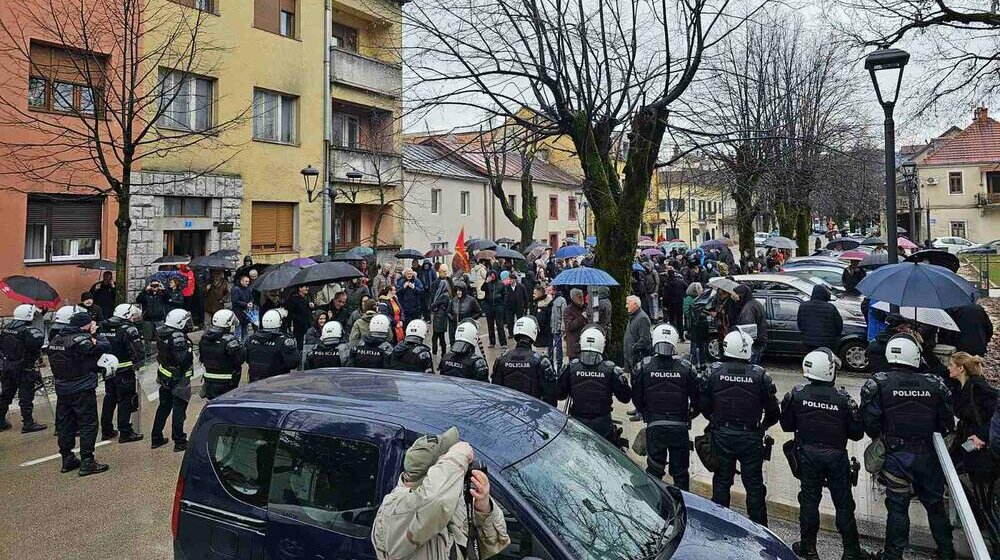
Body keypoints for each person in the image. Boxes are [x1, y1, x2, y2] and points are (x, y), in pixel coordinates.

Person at [860, 334, 955, 560]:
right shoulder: (935, 384)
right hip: (927, 455)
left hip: (895, 456)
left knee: (898, 508)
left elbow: (870, 424)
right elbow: (947, 423)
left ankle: (892, 555)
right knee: (935, 506)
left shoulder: (878, 384)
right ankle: (946, 552)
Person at [371, 427, 510, 560]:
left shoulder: (450, 496)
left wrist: (483, 508)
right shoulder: (393, 512)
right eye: (446, 460)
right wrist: (457, 457)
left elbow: (486, 548)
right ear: (436, 471)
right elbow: (433, 503)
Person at [779, 348, 866, 560]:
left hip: (808, 455)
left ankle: (809, 550)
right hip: (836, 456)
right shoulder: (844, 398)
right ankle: (851, 551)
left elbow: (786, 424)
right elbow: (856, 433)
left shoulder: (797, 394)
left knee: (809, 501)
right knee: (843, 503)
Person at [701, 329, 780, 526]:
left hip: (722, 435)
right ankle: (760, 529)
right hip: (750, 436)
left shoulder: (714, 372)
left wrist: (715, 420)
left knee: (721, 482)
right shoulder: (761, 376)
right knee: (754, 485)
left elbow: (703, 405)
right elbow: (773, 412)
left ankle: (719, 526)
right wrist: (762, 427)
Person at [632, 323, 699, 490]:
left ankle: (655, 511)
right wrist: (689, 415)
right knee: (681, 474)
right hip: (679, 427)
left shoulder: (643, 366)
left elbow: (637, 398)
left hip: (655, 427)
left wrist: (646, 413)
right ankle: (683, 509)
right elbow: (697, 399)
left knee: (654, 472)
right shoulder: (686, 368)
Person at [47, 311, 111, 475]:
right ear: (86, 325)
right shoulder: (81, 340)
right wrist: (96, 334)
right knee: (88, 424)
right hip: (81, 387)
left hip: (62, 388)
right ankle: (87, 462)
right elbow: (105, 346)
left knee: (65, 425)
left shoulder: (56, 339)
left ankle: (67, 458)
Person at [557, 325, 632, 442]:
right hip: (603, 425)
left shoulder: (571, 367)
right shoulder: (611, 369)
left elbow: (560, 395)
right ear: (602, 343)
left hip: (578, 422)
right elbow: (625, 398)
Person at [946, 352, 998, 491]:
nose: (948, 368)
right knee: (952, 467)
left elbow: (996, 413)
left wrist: (982, 436)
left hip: (978, 442)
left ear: (961, 368)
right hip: (966, 440)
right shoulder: (960, 387)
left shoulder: (978, 387)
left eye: (951, 365)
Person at [98, 304, 146, 442]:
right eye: (131, 315)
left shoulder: (103, 327)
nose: (133, 318)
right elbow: (137, 351)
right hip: (125, 370)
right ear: (125, 315)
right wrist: (141, 367)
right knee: (125, 401)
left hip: (108, 369)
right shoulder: (129, 329)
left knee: (110, 398)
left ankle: (106, 430)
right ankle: (125, 432)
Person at [150, 309, 194, 452]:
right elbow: (183, 360)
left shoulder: (164, 332)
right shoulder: (178, 337)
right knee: (179, 409)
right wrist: (190, 352)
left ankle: (156, 437)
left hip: (165, 375)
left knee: (163, 407)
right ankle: (179, 441)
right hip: (178, 378)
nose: (188, 323)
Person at [0, 304, 47, 433]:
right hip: (24, 367)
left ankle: (0, 421)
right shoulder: (28, 330)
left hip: (8, 366)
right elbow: (38, 343)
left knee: (6, 394)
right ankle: (28, 423)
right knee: (26, 396)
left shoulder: (6, 328)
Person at [492, 316, 557, 406]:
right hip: (534, 413)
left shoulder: (502, 359)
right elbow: (551, 396)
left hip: (507, 412)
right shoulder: (541, 361)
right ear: (533, 332)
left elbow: (494, 392)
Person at [199, 309, 245, 400]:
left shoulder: (204, 338)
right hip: (227, 382)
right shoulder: (230, 341)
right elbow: (239, 360)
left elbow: (202, 358)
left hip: (209, 380)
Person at [796, 284, 843, 352]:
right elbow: (839, 325)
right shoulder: (830, 307)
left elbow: (800, 323)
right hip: (827, 343)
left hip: (808, 342)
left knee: (811, 359)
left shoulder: (803, 306)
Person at [734, 284, 767, 364]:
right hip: (760, 340)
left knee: (750, 367)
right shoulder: (755, 303)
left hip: (753, 344)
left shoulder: (748, 309)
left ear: (742, 295)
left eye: (736, 294)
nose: (735, 297)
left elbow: (747, 329)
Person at [623, 295, 652, 373]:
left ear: (635, 305)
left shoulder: (642, 318)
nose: (626, 306)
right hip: (629, 358)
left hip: (636, 360)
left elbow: (645, 340)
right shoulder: (633, 316)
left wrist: (633, 348)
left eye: (628, 304)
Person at [430, 268, 452, 355]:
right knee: (440, 337)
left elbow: (433, 306)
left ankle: (438, 353)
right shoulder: (446, 295)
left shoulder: (443, 296)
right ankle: (442, 353)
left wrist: (433, 306)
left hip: (439, 318)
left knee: (437, 337)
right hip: (441, 318)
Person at [483, 270, 507, 348]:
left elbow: (505, 294)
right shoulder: (488, 284)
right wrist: (486, 282)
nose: (491, 276)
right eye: (490, 275)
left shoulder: (500, 284)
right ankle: (492, 342)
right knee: (490, 325)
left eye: (493, 275)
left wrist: (502, 304)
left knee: (499, 325)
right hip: (489, 306)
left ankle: (503, 343)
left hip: (498, 306)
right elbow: (482, 288)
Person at [563, 288, 589, 361]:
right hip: (574, 347)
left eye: (582, 296)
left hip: (585, 345)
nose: (582, 299)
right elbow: (570, 326)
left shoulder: (585, 307)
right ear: (573, 298)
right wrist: (582, 317)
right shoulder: (568, 310)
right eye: (579, 297)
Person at [286, 285, 314, 350]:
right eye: (305, 287)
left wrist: (311, 307)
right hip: (298, 326)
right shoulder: (294, 299)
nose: (307, 288)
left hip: (308, 324)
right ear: (300, 288)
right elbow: (290, 313)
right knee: (300, 344)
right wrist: (297, 319)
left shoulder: (308, 298)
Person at [528, 285, 553, 355]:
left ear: (540, 294)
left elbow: (539, 322)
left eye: (535, 293)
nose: (533, 295)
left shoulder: (542, 307)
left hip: (542, 338)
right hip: (541, 337)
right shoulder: (537, 303)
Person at [503, 273, 528, 338]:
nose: (510, 280)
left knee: (520, 320)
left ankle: (520, 332)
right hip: (509, 307)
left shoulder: (521, 286)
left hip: (519, 306)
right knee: (509, 321)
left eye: (511, 279)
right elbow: (504, 296)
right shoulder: (507, 287)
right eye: (509, 279)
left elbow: (525, 297)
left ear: (515, 280)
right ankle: (511, 333)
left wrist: (526, 306)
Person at [230, 274, 254, 342]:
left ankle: (245, 344)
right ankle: (235, 344)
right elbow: (235, 301)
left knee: (245, 329)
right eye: (246, 281)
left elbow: (251, 297)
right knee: (238, 329)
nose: (248, 283)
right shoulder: (235, 289)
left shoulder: (247, 288)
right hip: (238, 312)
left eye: (248, 281)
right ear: (241, 281)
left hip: (245, 312)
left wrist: (251, 302)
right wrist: (246, 304)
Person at [547, 285, 565, 367]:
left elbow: (563, 314)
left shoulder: (561, 300)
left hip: (557, 326)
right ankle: (549, 359)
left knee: (558, 346)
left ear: (554, 291)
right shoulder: (547, 300)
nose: (548, 292)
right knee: (549, 345)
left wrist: (562, 326)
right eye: (547, 290)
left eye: (549, 290)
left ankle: (559, 362)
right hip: (550, 326)